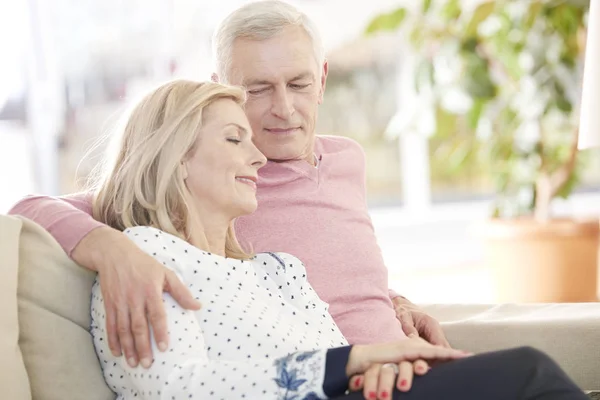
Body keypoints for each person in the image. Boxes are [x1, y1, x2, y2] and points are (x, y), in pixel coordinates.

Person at [89, 79, 586, 400]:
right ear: (176, 157)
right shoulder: (143, 258)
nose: (259, 158)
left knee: (526, 377)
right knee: (529, 374)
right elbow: (170, 388)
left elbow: (339, 365)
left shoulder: (279, 268)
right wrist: (351, 362)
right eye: (235, 139)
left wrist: (371, 371)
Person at [12, 0, 441, 370]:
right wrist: (111, 248)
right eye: (257, 89)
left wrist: (393, 300)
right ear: (221, 90)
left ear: (322, 80)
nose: (284, 108)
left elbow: (337, 265)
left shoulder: (348, 159)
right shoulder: (213, 184)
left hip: (410, 364)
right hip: (337, 380)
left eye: (298, 84)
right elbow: (27, 209)